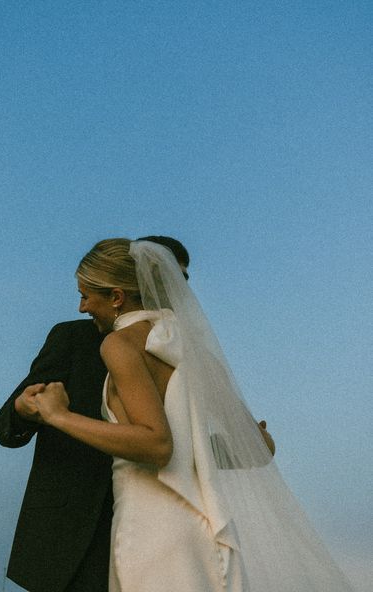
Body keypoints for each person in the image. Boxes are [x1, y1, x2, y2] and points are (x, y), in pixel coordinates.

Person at [32, 238, 355, 592]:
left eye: (86, 295)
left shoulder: (119, 344)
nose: (81, 307)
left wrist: (57, 415)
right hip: (201, 525)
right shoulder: (193, 348)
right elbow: (261, 446)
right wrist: (199, 445)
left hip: (152, 528)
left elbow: (157, 444)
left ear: (116, 297)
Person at [0, 236, 196, 592]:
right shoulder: (71, 338)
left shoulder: (182, 350)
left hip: (157, 526)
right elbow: (6, 424)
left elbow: (178, 438)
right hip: (70, 537)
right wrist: (24, 409)